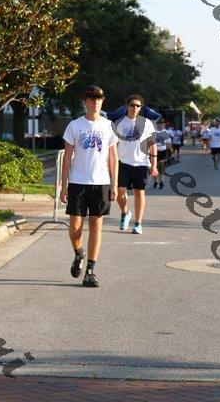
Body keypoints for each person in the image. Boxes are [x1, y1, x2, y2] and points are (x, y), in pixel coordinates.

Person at [61, 85, 118, 288]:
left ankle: (90, 271)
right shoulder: (74, 126)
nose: (95, 102)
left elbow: (113, 157)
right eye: (91, 98)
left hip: (100, 183)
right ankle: (79, 253)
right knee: (75, 227)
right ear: (85, 101)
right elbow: (67, 156)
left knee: (96, 225)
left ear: (102, 101)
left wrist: (114, 183)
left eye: (98, 98)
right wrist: (64, 185)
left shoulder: (109, 126)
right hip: (77, 182)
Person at [116, 94, 157, 234]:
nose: (135, 108)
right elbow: (113, 145)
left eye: (137, 106)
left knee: (139, 193)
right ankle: (125, 213)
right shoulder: (119, 123)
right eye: (132, 105)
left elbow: (152, 145)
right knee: (120, 192)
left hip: (141, 163)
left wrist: (154, 165)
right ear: (127, 106)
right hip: (123, 162)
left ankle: (138, 223)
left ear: (140, 108)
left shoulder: (146, 123)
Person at [153, 117, 172, 189]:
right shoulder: (153, 132)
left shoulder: (166, 132)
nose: (162, 125)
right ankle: (156, 181)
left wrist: (170, 153)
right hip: (154, 152)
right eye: (160, 124)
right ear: (157, 124)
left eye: (163, 124)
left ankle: (161, 182)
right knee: (154, 168)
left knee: (161, 167)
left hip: (163, 151)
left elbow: (169, 143)